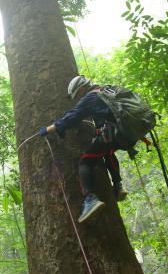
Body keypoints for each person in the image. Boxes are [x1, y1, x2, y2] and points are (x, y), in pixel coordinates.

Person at [39, 75, 130, 224]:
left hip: (109, 132)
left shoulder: (91, 96)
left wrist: (49, 129)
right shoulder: (106, 91)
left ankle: (90, 199)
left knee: (85, 162)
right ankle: (118, 186)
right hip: (121, 131)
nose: (79, 98)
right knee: (108, 151)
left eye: (78, 94)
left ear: (82, 88)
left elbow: (72, 116)